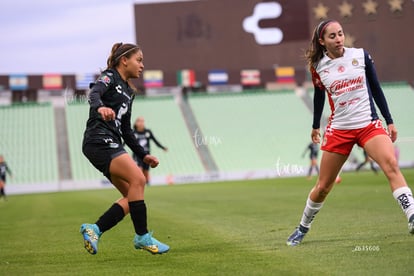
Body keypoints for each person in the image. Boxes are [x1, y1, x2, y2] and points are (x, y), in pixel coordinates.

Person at [286, 20, 414, 246]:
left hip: (368, 125)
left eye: (341, 34)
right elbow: (318, 96)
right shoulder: (319, 67)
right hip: (340, 130)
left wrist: (390, 121)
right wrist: (316, 125)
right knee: (324, 186)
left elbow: (376, 88)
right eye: (333, 36)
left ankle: (412, 215)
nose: (339, 39)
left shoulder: (361, 56)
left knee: (391, 166)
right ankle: (302, 228)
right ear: (322, 41)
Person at [80, 42, 169, 255]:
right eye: (139, 60)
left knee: (132, 196)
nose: (142, 65)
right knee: (139, 180)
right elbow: (94, 94)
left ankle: (95, 229)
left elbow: (127, 130)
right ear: (124, 60)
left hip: (108, 142)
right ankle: (142, 237)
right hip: (100, 139)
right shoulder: (110, 77)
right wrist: (100, 106)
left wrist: (144, 154)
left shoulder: (129, 92)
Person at [132, 116, 168, 184]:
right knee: (139, 170)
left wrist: (163, 147)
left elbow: (155, 141)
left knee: (146, 172)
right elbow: (126, 141)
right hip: (137, 155)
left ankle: (147, 185)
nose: (142, 123)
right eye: (139, 121)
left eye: (143, 121)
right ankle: (137, 184)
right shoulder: (133, 133)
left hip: (146, 155)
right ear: (136, 123)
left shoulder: (148, 132)